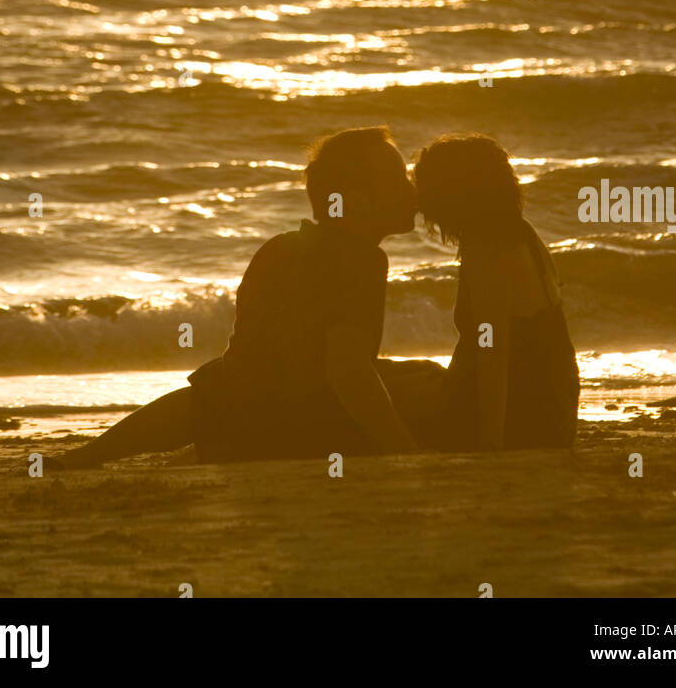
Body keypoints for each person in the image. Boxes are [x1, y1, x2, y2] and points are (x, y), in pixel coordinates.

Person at [52, 126, 419, 468]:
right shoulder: (359, 261)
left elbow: (239, 376)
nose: (412, 188)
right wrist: (403, 448)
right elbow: (348, 371)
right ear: (356, 201)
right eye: (398, 180)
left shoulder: (282, 249)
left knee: (220, 387)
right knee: (420, 389)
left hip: (237, 418)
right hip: (304, 434)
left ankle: (97, 452)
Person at [413, 133, 579, 451]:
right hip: (554, 404)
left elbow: (494, 349)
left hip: (518, 413)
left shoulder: (487, 248)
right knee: (414, 374)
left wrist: (491, 441)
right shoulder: (522, 232)